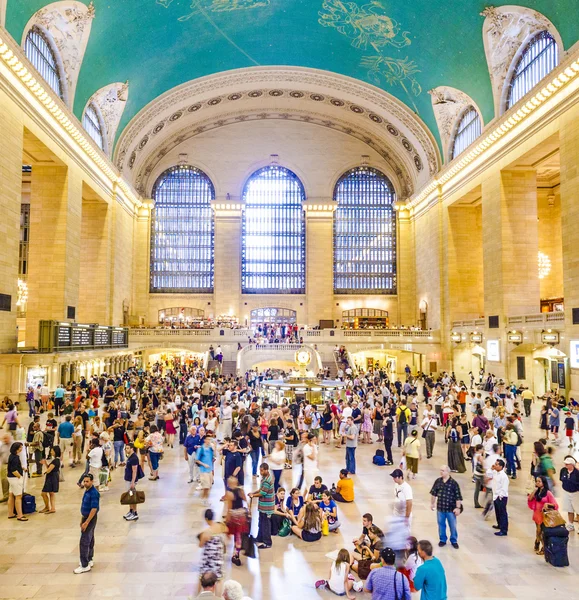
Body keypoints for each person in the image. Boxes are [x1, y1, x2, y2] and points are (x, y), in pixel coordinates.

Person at [429, 465, 462, 549]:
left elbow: (458, 497)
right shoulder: (438, 481)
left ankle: (454, 540)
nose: (441, 472)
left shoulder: (454, 483)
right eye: (440, 470)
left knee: (452, 525)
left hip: (450, 509)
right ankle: (442, 539)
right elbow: (433, 493)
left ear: (448, 472)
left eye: (443, 470)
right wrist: (432, 503)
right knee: (441, 525)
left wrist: (458, 508)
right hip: (440, 508)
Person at [75, 473, 100, 574]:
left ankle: (84, 564)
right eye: (84, 481)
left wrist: (86, 522)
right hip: (85, 517)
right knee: (90, 538)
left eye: (87, 481)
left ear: (92, 481)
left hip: (90, 518)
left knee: (84, 541)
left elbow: (94, 509)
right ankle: (89, 558)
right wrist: (82, 520)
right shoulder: (87, 491)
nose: (85, 483)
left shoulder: (94, 493)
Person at [527, 475, 558, 554]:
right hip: (537, 514)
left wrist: (547, 504)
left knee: (541, 531)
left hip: (544, 515)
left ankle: (543, 547)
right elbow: (530, 499)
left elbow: (555, 504)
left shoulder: (548, 493)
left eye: (539, 481)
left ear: (543, 483)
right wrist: (534, 490)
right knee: (538, 531)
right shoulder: (537, 492)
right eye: (536, 481)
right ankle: (537, 542)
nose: (537, 483)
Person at [224, 476, 249, 566]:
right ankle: (236, 553)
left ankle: (233, 553)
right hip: (242, 516)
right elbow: (246, 501)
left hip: (234, 517)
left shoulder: (229, 493)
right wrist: (248, 512)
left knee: (232, 534)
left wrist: (227, 519)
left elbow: (229, 508)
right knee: (238, 536)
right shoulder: (241, 490)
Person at [249, 463, 274, 549]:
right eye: (260, 470)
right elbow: (260, 489)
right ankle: (259, 537)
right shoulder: (264, 478)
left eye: (262, 470)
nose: (260, 472)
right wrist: (253, 493)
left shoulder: (267, 480)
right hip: (263, 506)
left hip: (267, 507)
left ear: (266, 470)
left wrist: (253, 495)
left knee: (265, 525)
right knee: (261, 523)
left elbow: (263, 493)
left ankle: (267, 542)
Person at [198, 509, 226, 582]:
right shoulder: (220, 526)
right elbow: (226, 530)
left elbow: (200, 545)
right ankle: (218, 594)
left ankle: (199, 593)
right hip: (218, 556)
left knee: (203, 577)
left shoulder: (206, 532)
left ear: (206, 519)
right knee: (218, 579)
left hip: (208, 559)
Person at [123, 443, 144, 521]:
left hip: (130, 481)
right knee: (130, 496)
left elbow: (134, 471)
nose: (126, 450)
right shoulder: (130, 457)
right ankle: (131, 510)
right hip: (128, 479)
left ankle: (135, 512)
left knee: (132, 497)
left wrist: (132, 482)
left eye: (128, 448)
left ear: (132, 448)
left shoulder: (134, 458)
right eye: (126, 448)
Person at [7, 442, 27, 521]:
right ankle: (20, 515)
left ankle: (11, 513)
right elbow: (14, 470)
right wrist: (19, 476)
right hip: (15, 479)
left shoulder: (12, 456)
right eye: (20, 447)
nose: (21, 449)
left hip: (10, 478)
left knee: (11, 495)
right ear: (17, 448)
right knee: (18, 496)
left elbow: (14, 466)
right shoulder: (15, 457)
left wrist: (22, 468)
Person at [559, 456, 579, 530]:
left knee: (577, 509)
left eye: (567, 464)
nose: (566, 465)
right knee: (569, 509)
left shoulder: (577, 473)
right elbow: (561, 478)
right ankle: (570, 524)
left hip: (575, 493)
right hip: (566, 492)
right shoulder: (563, 471)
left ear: (572, 464)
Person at [40, 445, 61, 513]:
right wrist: (45, 463)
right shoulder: (56, 460)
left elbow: (49, 470)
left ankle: (47, 507)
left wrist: (44, 473)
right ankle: (52, 508)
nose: (51, 452)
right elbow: (49, 467)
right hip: (53, 477)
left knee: (43, 493)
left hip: (51, 477)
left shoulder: (55, 461)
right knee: (51, 493)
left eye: (52, 450)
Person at [491, 458, 509, 536]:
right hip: (495, 495)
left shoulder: (503, 476)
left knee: (502, 513)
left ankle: (504, 529)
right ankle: (499, 524)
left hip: (501, 497)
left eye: (497, 464)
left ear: (501, 466)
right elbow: (488, 473)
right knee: (497, 512)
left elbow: (504, 488)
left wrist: (500, 496)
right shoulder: (495, 473)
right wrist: (491, 468)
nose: (495, 465)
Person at [196, 434, 215, 505]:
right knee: (205, 486)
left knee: (209, 486)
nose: (209, 441)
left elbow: (214, 456)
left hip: (210, 470)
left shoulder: (210, 448)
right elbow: (197, 460)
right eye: (208, 439)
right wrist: (204, 464)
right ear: (205, 440)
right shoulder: (201, 448)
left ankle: (206, 499)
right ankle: (204, 499)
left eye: (210, 440)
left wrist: (214, 448)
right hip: (204, 470)